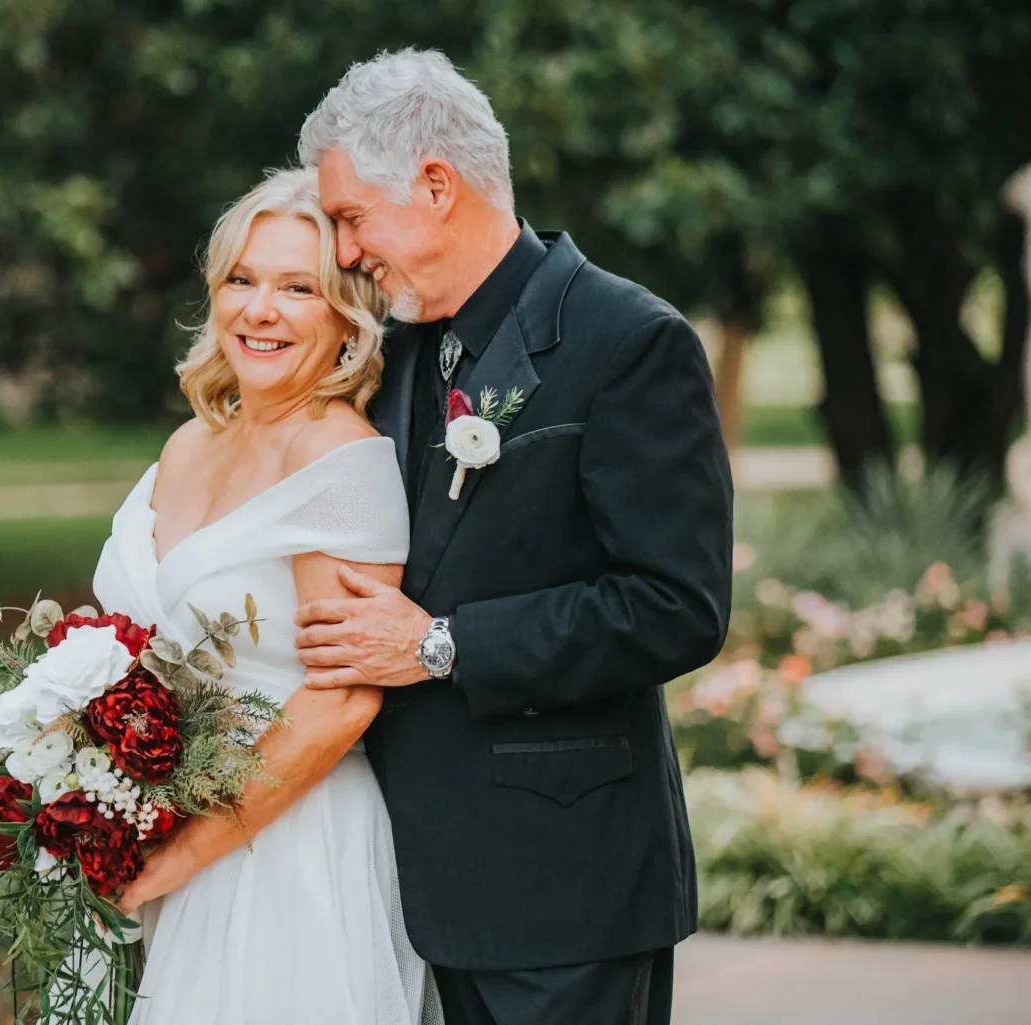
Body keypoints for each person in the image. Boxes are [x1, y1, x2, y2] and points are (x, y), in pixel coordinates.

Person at [292, 50, 734, 1025]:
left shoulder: (629, 342)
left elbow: (677, 606)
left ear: (436, 186)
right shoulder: (395, 352)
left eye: (352, 217)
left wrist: (442, 644)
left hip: (567, 890)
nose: (347, 250)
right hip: (422, 888)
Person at [94, 167, 442, 1024]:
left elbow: (342, 700)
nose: (260, 309)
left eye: (298, 287)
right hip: (166, 839)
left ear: (346, 316)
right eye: (241, 281)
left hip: (289, 853)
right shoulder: (191, 441)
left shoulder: (339, 459)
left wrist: (175, 858)